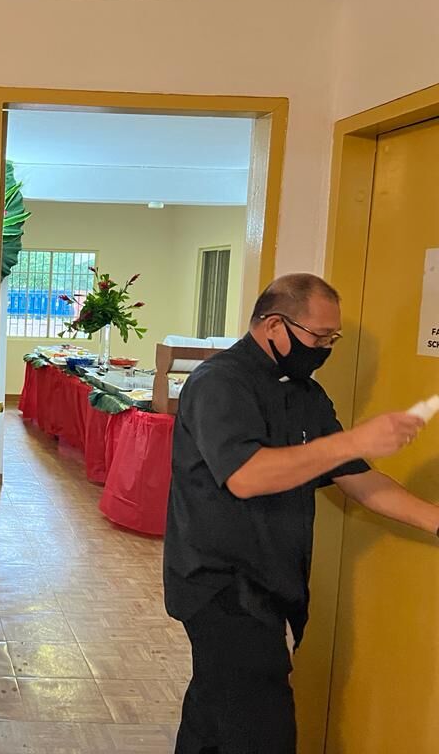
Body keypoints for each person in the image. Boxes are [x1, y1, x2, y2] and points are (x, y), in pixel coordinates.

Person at [163, 273, 435, 754]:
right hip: (223, 588)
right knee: (262, 732)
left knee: (213, 721)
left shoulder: (306, 395)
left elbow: (356, 478)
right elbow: (245, 476)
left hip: (275, 584)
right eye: (319, 336)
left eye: (333, 338)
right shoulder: (219, 383)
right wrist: (354, 439)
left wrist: (434, 518)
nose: (325, 348)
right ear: (274, 325)